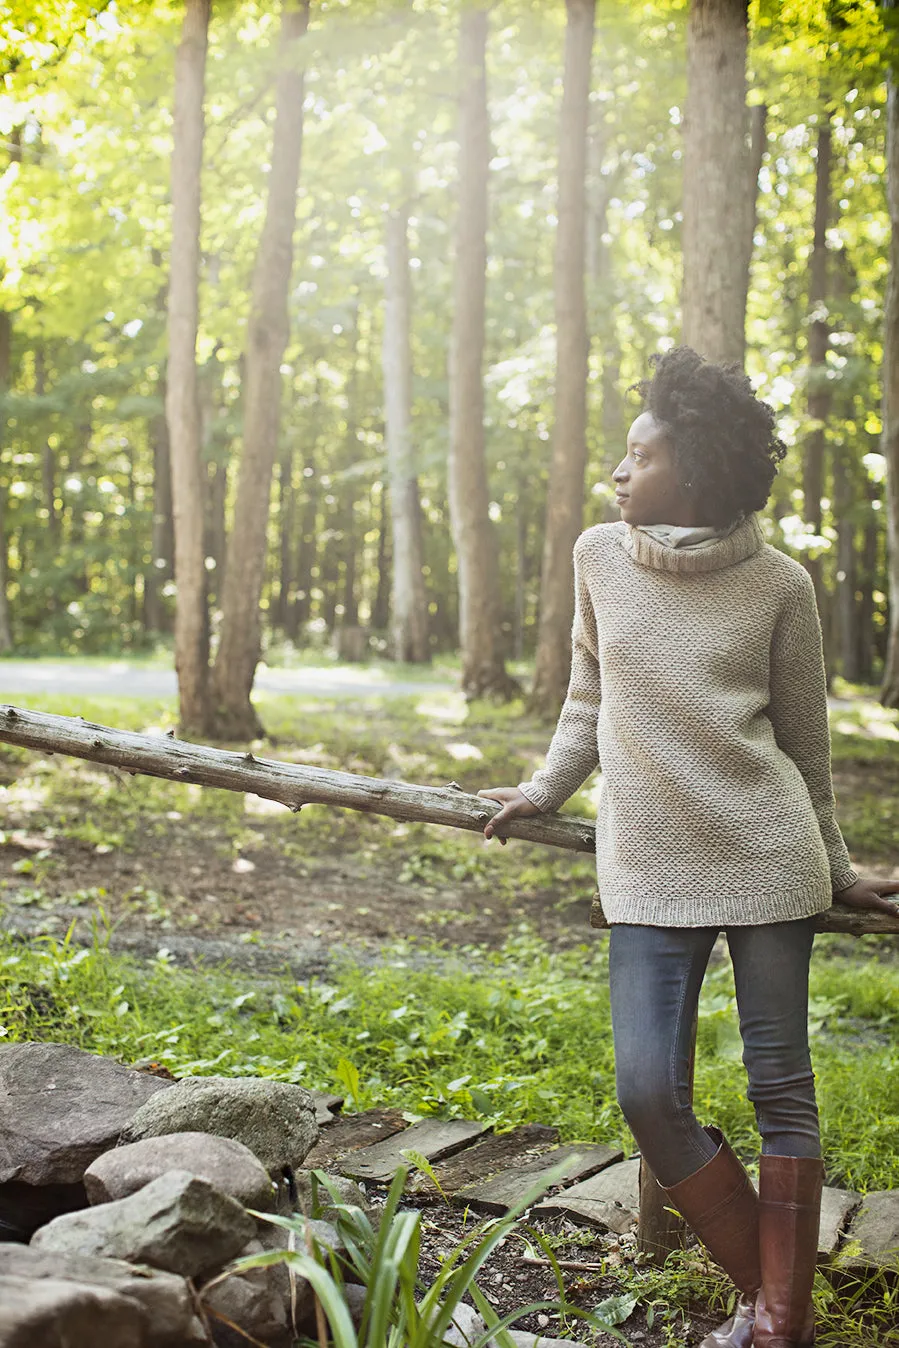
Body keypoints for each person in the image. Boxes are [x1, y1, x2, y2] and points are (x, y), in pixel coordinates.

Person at [477, 346, 899, 1348]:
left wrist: (837, 869)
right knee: (646, 1090)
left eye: (639, 455)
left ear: (696, 470)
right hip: (646, 860)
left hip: (767, 853)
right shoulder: (595, 558)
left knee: (778, 1088)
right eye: (620, 456)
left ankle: (773, 1326)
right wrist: (540, 789)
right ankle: (773, 1291)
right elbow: (586, 703)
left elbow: (803, 747)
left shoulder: (778, 585)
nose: (617, 472)